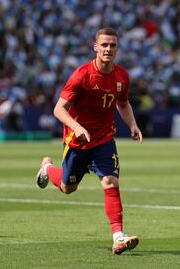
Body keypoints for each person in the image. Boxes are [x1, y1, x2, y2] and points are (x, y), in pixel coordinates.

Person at [36, 28, 143, 255]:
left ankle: (118, 237)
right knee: (67, 188)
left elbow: (122, 104)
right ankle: (47, 168)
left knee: (110, 182)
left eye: (112, 45)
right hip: (77, 141)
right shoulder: (81, 75)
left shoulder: (122, 76)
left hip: (104, 140)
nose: (108, 49)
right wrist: (77, 127)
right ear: (95, 47)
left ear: (117, 48)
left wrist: (132, 124)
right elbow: (59, 109)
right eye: (104, 45)